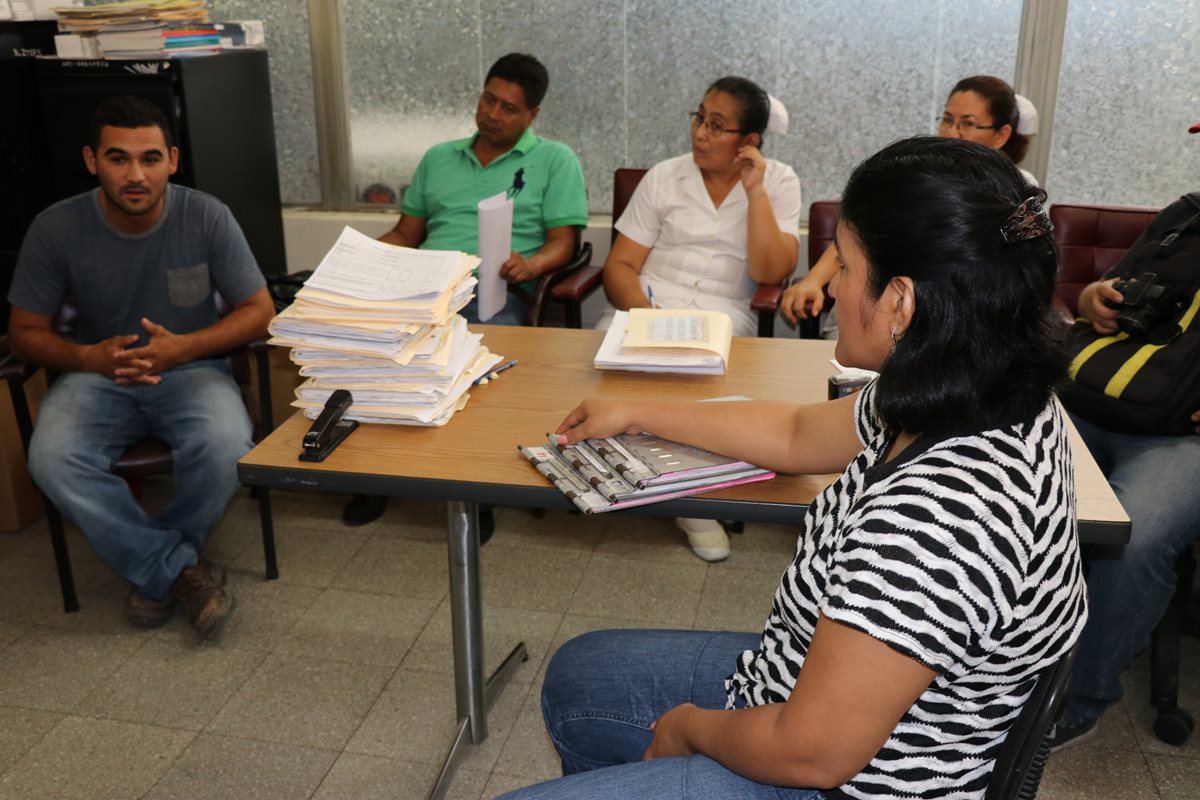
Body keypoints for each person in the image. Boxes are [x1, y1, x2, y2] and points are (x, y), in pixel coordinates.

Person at [498, 136, 1086, 800]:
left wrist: (691, 728)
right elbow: (797, 433)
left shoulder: (943, 511)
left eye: (846, 265)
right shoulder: (966, 384)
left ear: (900, 301)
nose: (830, 284)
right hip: (807, 680)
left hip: (847, 779)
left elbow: (811, 755)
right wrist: (640, 410)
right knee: (580, 677)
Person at [6, 95, 274, 638]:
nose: (135, 175)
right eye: (118, 158)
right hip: (95, 376)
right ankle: (178, 571)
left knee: (227, 446)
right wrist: (88, 356)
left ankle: (159, 570)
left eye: (150, 158)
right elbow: (23, 332)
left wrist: (185, 347)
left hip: (192, 371)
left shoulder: (206, 216)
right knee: (51, 459)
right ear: (91, 160)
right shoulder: (54, 228)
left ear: (172, 160)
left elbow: (260, 311)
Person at [344, 52, 589, 528]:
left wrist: (532, 264)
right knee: (367, 348)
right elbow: (405, 234)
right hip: (424, 287)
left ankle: (477, 494)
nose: (492, 114)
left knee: (475, 358)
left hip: (497, 290)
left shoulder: (555, 160)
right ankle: (373, 476)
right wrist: (360, 259)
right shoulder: (440, 157)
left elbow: (564, 243)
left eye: (508, 108)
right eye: (488, 100)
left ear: (532, 115)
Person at [599, 75, 801, 561]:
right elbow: (620, 265)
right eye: (699, 118)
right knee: (616, 371)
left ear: (749, 141)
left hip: (723, 313)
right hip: (648, 303)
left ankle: (682, 495)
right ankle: (675, 494)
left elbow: (772, 272)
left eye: (716, 125)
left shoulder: (779, 181)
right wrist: (644, 316)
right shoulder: (665, 176)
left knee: (696, 386)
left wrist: (755, 192)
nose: (700, 133)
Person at [1049, 187, 1200, 749]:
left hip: (1182, 438)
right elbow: (1106, 289)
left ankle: (1075, 701)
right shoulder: (1188, 214)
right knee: (987, 479)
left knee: (1133, 535)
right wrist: (1093, 297)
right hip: (1087, 396)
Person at [782, 74, 1039, 333]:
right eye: (948, 119)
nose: (952, 132)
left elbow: (1031, 263)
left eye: (968, 124)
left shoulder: (1021, 188)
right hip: (884, 310)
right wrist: (813, 280)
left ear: (1001, 135)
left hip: (971, 318)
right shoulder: (916, 174)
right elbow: (861, 234)